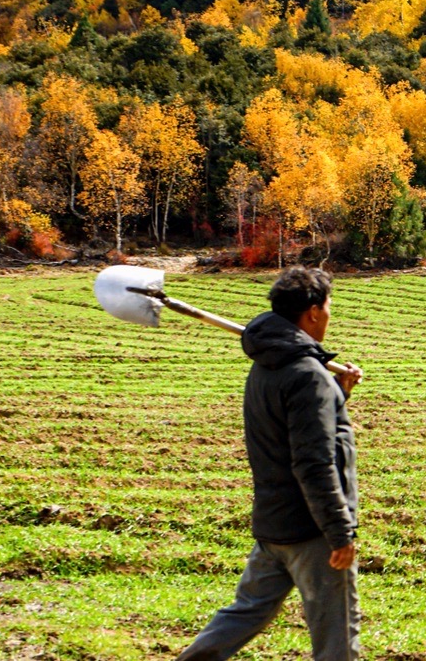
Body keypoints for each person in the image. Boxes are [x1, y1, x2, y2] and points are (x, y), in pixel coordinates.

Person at [177, 267, 364, 661]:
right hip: (312, 533)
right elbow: (313, 462)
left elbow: (292, 433)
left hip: (273, 525)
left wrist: (337, 394)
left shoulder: (267, 366)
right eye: (329, 308)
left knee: (244, 614)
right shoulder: (307, 374)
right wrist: (339, 531)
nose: (330, 316)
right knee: (336, 639)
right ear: (313, 313)